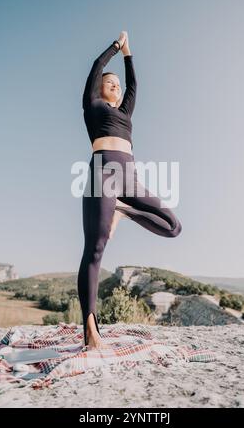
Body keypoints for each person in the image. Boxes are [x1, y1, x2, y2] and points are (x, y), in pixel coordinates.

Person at [78, 31, 182, 350]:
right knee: (95, 249)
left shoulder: (124, 113)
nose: (116, 86)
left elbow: (134, 86)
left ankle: (123, 209)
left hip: (130, 177)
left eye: (117, 85)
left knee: (173, 227)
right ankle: (90, 328)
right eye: (111, 84)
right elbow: (97, 65)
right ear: (99, 89)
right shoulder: (92, 105)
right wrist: (116, 47)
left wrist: (129, 57)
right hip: (103, 172)